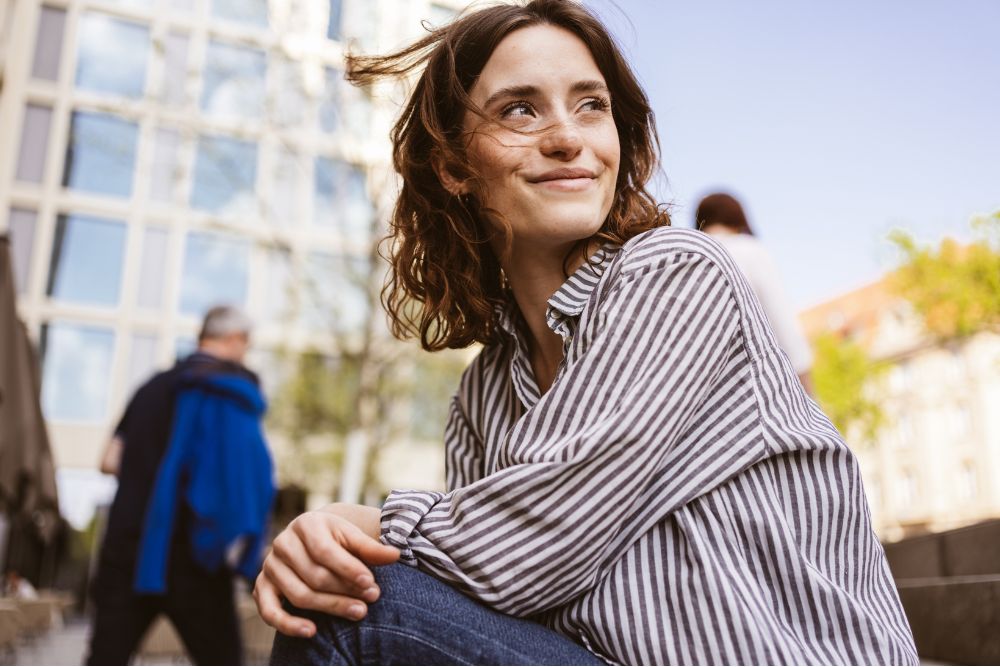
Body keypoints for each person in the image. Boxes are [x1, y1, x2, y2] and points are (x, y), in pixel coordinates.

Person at [255, 1, 918, 664]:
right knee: (344, 593)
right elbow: (486, 592)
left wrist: (361, 523)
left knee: (358, 606)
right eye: (520, 109)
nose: (568, 137)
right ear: (455, 164)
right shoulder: (482, 397)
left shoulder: (676, 273)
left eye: (590, 105)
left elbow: (536, 538)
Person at [87, 305, 274, 665]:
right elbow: (237, 487)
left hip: (128, 550)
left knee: (104, 659)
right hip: (195, 559)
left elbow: (108, 460)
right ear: (235, 340)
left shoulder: (151, 387)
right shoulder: (232, 392)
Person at [696, 192, 815, 393]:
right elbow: (781, 320)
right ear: (737, 217)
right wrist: (808, 390)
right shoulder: (749, 250)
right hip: (763, 389)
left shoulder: (692, 258)